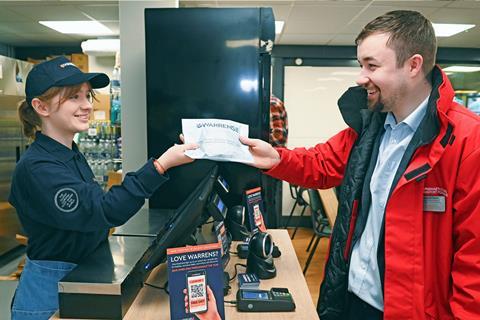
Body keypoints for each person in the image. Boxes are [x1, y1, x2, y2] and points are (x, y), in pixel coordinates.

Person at [240, 10, 480, 320]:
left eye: (372, 65)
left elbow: (474, 262)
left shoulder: (468, 141)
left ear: (413, 65)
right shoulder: (371, 126)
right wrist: (275, 158)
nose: (360, 77)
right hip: (351, 300)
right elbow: (321, 163)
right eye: (360, 64)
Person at [9, 56, 197, 320]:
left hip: (80, 276)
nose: (86, 105)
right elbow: (103, 210)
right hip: (50, 293)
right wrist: (161, 165)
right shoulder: (38, 168)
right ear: (41, 106)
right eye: (74, 97)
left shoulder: (70, 155)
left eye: (87, 96)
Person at [262, 94, 289, 228]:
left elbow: (278, 138)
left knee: (268, 204)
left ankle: (272, 238)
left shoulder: (271, 103)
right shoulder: (271, 102)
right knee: (268, 203)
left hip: (270, 164)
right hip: (271, 163)